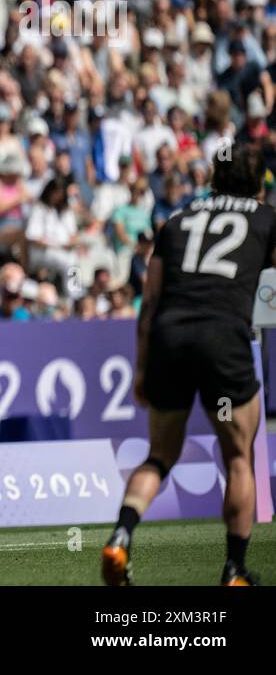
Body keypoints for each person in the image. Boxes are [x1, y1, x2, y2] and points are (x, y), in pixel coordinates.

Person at [102, 145, 273, 586]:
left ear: (214, 180)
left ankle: (120, 537)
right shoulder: (265, 218)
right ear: (258, 185)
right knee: (239, 457)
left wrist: (140, 368)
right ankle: (234, 569)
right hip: (222, 341)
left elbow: (150, 302)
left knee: (159, 456)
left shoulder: (177, 222)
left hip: (169, 341)